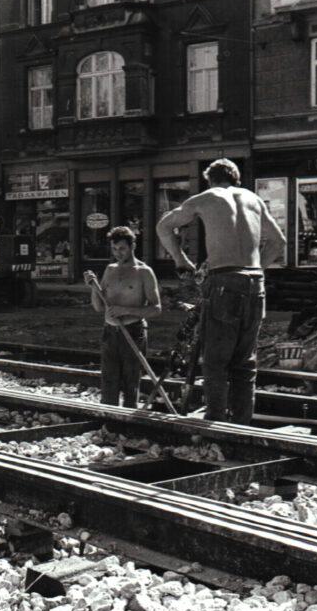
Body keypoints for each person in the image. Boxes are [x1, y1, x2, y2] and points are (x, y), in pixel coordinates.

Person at [156, 158, 287, 425]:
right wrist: (257, 270)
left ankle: (215, 424)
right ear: (236, 179)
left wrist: (181, 260)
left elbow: (163, 226)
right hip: (255, 283)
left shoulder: (207, 197)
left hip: (223, 281)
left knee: (216, 361)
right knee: (245, 363)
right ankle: (242, 426)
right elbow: (278, 242)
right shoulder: (253, 199)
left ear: (210, 180)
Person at [83, 226, 162, 407]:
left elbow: (156, 309)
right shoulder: (110, 270)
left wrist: (125, 310)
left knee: (130, 384)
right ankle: (109, 420)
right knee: (108, 383)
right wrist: (93, 288)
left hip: (133, 332)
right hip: (110, 333)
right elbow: (98, 307)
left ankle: (128, 420)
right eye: (114, 249)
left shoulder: (144, 272)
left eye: (122, 248)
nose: (118, 253)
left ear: (133, 246)